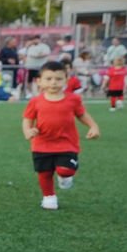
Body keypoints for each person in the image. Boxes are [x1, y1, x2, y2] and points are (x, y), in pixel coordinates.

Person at [23, 61, 101, 211]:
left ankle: (65, 177)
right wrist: (28, 130)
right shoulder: (35, 101)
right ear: (39, 81)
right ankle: (49, 197)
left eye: (58, 79)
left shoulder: (73, 99)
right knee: (44, 173)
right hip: (42, 144)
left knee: (66, 170)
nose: (53, 82)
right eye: (48, 79)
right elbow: (28, 119)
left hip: (67, 143)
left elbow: (82, 114)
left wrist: (93, 126)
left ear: (66, 80)